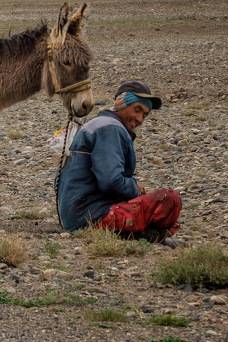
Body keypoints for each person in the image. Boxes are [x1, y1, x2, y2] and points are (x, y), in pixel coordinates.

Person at [56, 80, 182, 242]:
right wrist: (136, 189)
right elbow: (110, 181)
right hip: (90, 216)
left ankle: (143, 232)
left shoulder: (99, 124)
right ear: (120, 103)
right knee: (169, 199)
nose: (140, 119)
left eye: (144, 114)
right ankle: (144, 233)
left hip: (75, 214)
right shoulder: (110, 128)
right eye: (137, 110)